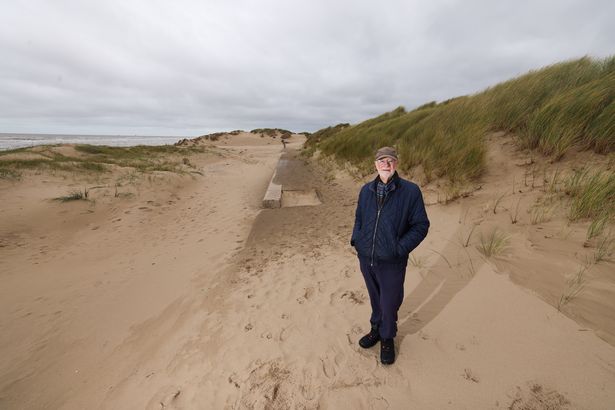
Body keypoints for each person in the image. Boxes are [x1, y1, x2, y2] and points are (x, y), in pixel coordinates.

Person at [351, 146, 430, 365]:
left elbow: (421, 225)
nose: (386, 164)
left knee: (390, 301)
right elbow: (359, 218)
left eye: (390, 160)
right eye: (381, 160)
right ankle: (376, 329)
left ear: (396, 164)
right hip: (366, 257)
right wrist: (356, 240)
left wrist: (399, 249)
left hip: (392, 261)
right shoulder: (365, 190)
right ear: (375, 164)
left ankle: (387, 337)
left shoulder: (410, 191)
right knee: (376, 299)